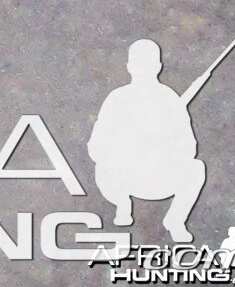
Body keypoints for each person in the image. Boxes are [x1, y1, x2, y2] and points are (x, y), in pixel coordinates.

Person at [88, 38, 210, 243]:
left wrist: (164, 148)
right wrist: (124, 150)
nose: (143, 69)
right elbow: (95, 147)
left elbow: (189, 147)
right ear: (129, 67)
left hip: (159, 176)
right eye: (138, 64)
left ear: (158, 67)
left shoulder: (170, 100)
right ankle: (122, 205)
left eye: (148, 64)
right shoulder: (117, 99)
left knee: (196, 168)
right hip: (123, 178)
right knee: (103, 168)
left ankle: (175, 220)